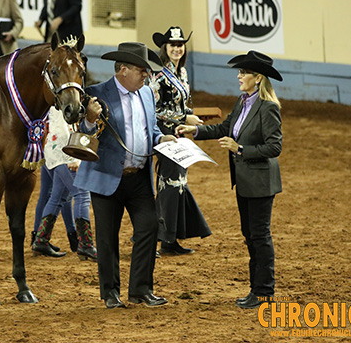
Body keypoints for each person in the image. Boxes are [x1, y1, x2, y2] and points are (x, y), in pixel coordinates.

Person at [176, 50, 283, 309]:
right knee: (250, 235)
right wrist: (196, 130)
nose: (239, 76)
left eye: (244, 72)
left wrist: (240, 149)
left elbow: (274, 147)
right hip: (245, 181)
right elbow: (225, 129)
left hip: (260, 183)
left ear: (258, 78)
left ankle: (264, 291)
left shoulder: (268, 108)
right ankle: (256, 289)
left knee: (259, 236)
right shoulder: (243, 101)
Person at [74, 42, 177, 309]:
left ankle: (140, 290)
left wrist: (163, 138)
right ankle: (110, 292)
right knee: (107, 238)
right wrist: (88, 119)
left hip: (139, 178)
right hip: (106, 177)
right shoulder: (95, 94)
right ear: (122, 70)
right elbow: (82, 138)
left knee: (149, 226)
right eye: (141, 70)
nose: (146, 75)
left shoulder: (145, 95)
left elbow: (150, 130)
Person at [149, 26, 212, 255]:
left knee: (178, 182)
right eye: (173, 44)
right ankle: (162, 239)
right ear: (165, 48)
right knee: (170, 182)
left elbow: (183, 103)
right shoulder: (158, 75)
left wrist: (189, 117)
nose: (177, 48)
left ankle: (169, 238)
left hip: (179, 133)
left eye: (180, 44)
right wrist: (185, 116)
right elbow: (153, 109)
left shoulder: (182, 73)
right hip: (164, 134)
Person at [31, 106, 97, 261]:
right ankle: (85, 245)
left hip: (54, 150)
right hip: (64, 153)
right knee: (82, 195)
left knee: (58, 197)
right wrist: (73, 157)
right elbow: (62, 129)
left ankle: (41, 240)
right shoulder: (65, 100)